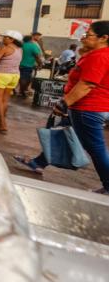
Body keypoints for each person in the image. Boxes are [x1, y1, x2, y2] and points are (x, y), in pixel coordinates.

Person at [14, 21, 109, 196]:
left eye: (89, 35)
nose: (85, 37)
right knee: (60, 131)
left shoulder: (100, 56)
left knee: (96, 147)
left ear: (104, 38)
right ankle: (39, 162)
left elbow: (86, 85)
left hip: (87, 108)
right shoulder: (96, 54)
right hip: (82, 106)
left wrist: (64, 103)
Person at [0, 30, 23, 134]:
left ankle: (3, 124)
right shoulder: (20, 49)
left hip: (2, 75)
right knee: (5, 101)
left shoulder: (5, 48)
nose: (3, 39)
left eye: (5, 37)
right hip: (15, 76)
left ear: (12, 39)